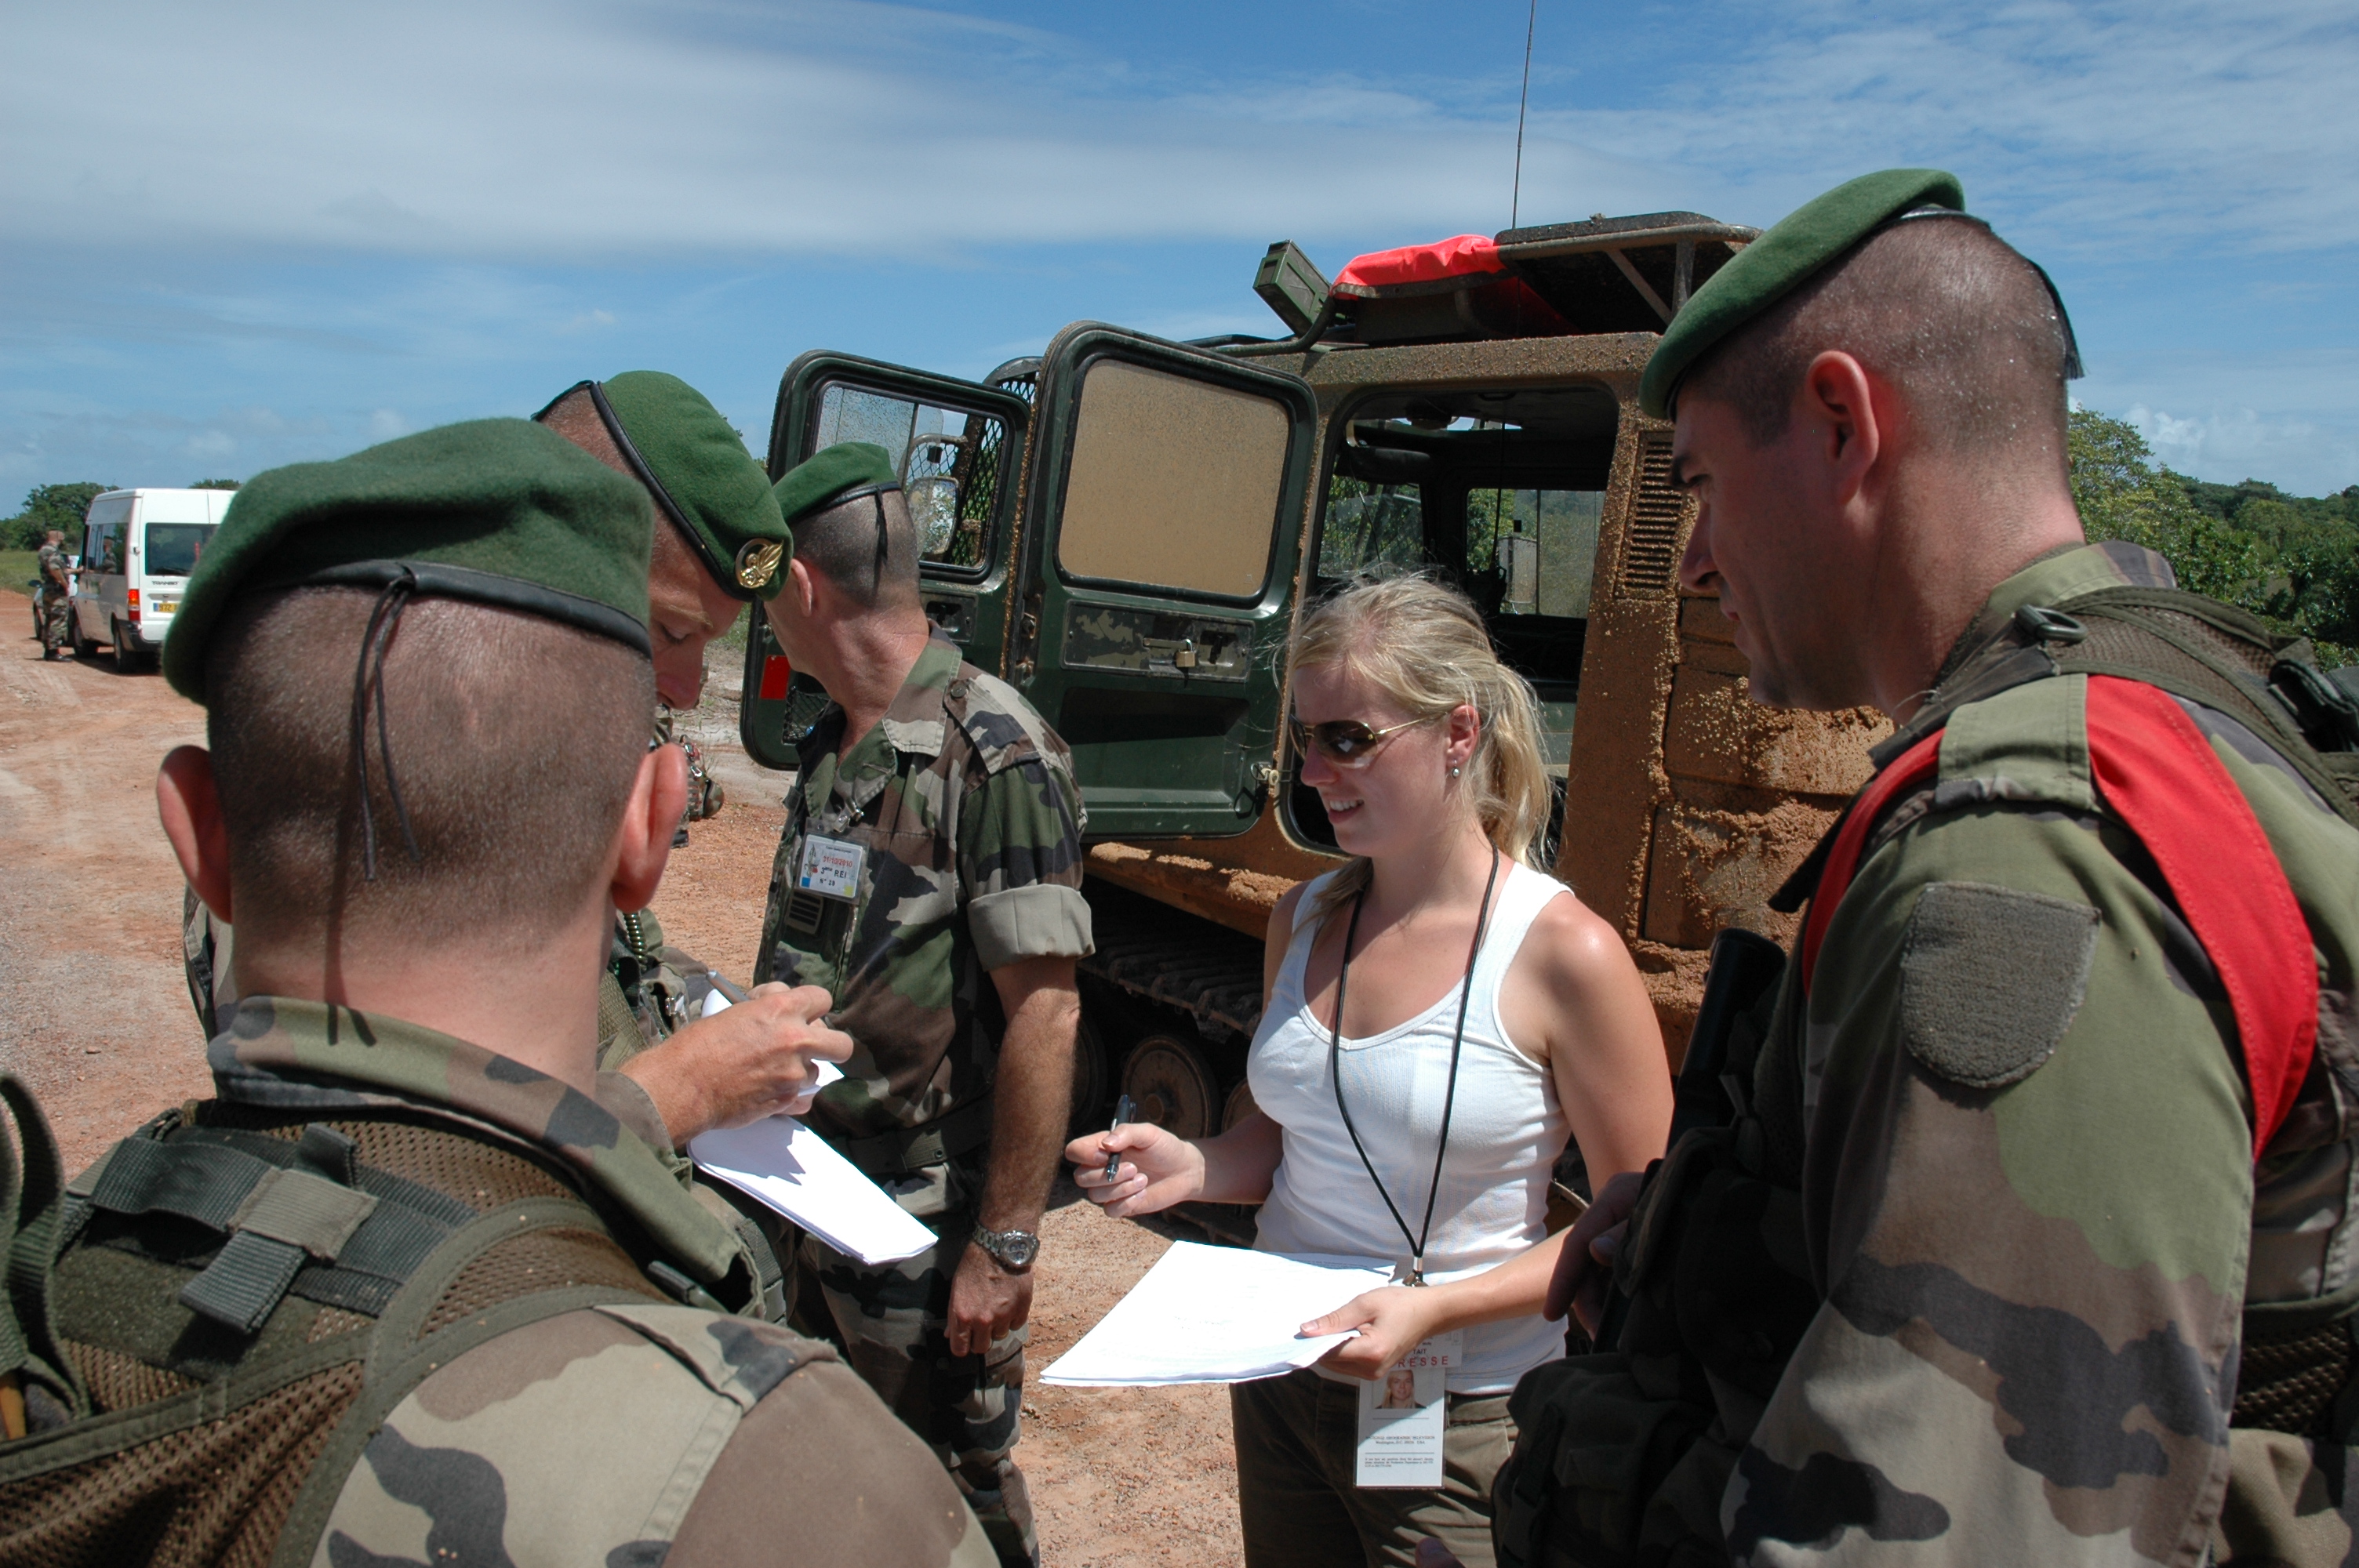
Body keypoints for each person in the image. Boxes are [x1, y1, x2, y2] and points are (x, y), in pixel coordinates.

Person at [1510, 170, 2359, 1567]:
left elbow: (1975, 1518)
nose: (1701, 562)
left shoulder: (2031, 838)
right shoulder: (2180, 690)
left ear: (1843, 423)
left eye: (1707, 487)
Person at [0, 419, 991, 1566]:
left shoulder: (51, 1315)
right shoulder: (784, 1486)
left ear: (201, 841)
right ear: (649, 827)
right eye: (670, 632)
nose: (683, 677)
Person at [1067, 572, 1674, 1568]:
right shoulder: (1298, 920)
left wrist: (1436, 1306)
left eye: (1347, 737)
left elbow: (1636, 1230)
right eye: (1304, 737)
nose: (1312, 771)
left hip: (1462, 1412)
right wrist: (1195, 1163)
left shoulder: (1566, 954)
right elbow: (1286, 1134)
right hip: (1279, 1377)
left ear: (1457, 733)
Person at [180, 371, 843, 1160]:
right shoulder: (376, 756)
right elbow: (388, 1150)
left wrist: (703, 1010)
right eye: (669, 630)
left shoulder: (535, 753)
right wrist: (677, 1091)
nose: (689, 685)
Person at [753, 440, 1093, 1568]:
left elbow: (1046, 1013)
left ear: (801, 586)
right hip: (813, 1202)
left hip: (925, 1227)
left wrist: (1003, 1245)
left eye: (766, 597)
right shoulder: (836, 746)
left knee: (952, 1504)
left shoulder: (992, 750)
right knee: (828, 1494)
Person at [35, 525, 73, 659]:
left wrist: (75, 571)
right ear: (58, 539)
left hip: (47, 590)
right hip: (57, 591)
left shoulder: (43, 551)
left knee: (49, 619)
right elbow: (55, 569)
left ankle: (48, 649)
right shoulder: (53, 552)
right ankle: (54, 650)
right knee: (58, 619)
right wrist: (64, 584)